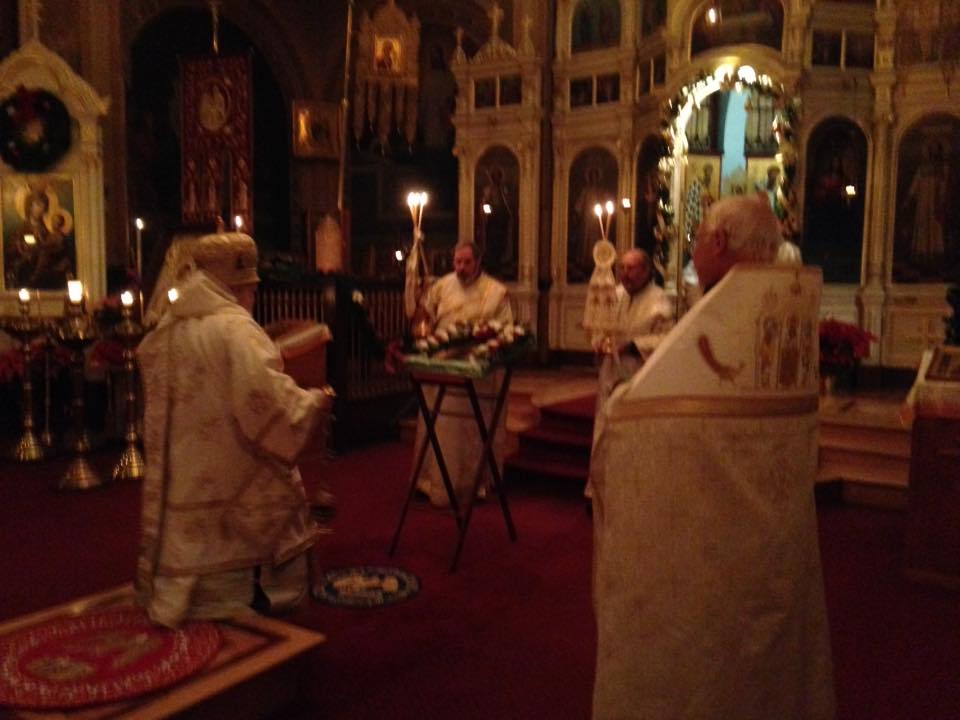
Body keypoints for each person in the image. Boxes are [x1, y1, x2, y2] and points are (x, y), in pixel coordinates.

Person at [590, 194, 835, 719]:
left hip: (711, 562)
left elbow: (643, 422)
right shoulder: (788, 299)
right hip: (774, 546)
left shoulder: (730, 308)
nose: (697, 245)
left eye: (700, 235)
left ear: (719, 242)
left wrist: (617, 411)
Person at [136, 231, 334, 628]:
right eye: (251, 289)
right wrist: (316, 401)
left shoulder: (166, 330)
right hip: (234, 472)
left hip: (183, 474)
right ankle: (257, 614)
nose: (253, 297)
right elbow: (269, 410)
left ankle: (190, 605)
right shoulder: (235, 329)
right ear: (237, 286)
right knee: (275, 499)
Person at [413, 241, 513, 508]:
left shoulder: (496, 292)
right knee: (440, 425)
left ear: (478, 262)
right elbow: (424, 319)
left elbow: (504, 332)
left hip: (475, 372)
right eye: (457, 262)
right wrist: (419, 306)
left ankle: (474, 483)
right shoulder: (441, 286)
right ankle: (433, 481)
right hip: (444, 367)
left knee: (471, 429)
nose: (460, 268)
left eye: (466, 262)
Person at [684, 161, 715, 241]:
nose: (710, 173)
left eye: (711, 171)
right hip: (696, 214)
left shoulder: (707, 182)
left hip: (703, 214)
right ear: (705, 171)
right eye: (708, 171)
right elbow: (692, 199)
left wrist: (709, 201)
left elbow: (709, 199)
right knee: (694, 238)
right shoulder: (697, 183)